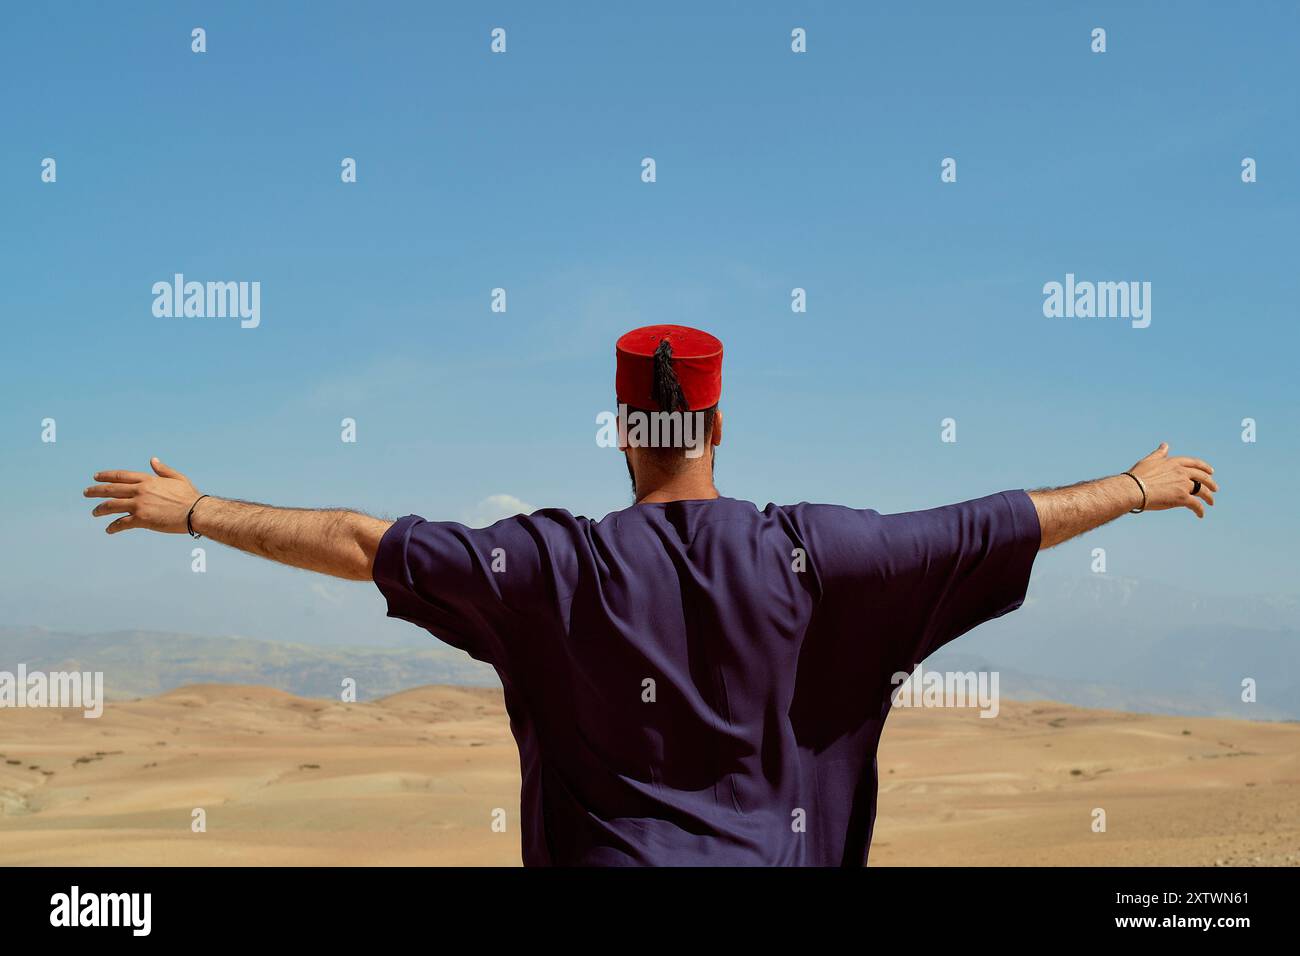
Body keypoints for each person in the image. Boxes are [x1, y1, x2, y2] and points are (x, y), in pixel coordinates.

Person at [84, 324, 1218, 865]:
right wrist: (1135, 485)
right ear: (717, 425)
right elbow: (998, 519)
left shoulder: (545, 565)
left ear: (623, 430)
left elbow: (351, 536)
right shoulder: (821, 552)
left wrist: (191, 509)